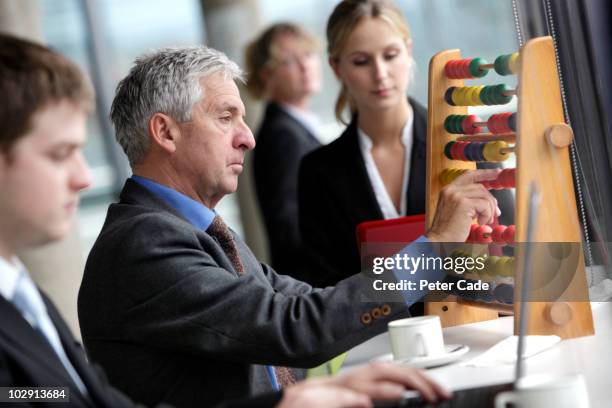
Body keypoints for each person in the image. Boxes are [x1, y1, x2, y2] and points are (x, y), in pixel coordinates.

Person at [0, 33, 451, 408]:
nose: (249, 138)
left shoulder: (200, 229)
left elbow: (309, 304)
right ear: (166, 132)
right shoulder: (143, 242)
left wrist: (458, 269)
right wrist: (434, 254)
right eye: (226, 117)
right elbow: (292, 327)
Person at [298, 0, 427, 290]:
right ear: (336, 68)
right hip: (372, 335)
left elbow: (506, 254)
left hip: (471, 326)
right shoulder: (318, 173)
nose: (380, 74)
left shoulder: (462, 144)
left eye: (391, 55)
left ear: (408, 51)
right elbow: (326, 287)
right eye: (361, 61)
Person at [246, 23, 322, 278]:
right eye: (290, 61)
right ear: (268, 75)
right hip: (311, 284)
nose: (305, 66)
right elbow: (289, 230)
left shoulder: (294, 126)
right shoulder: (283, 135)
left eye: (308, 55)